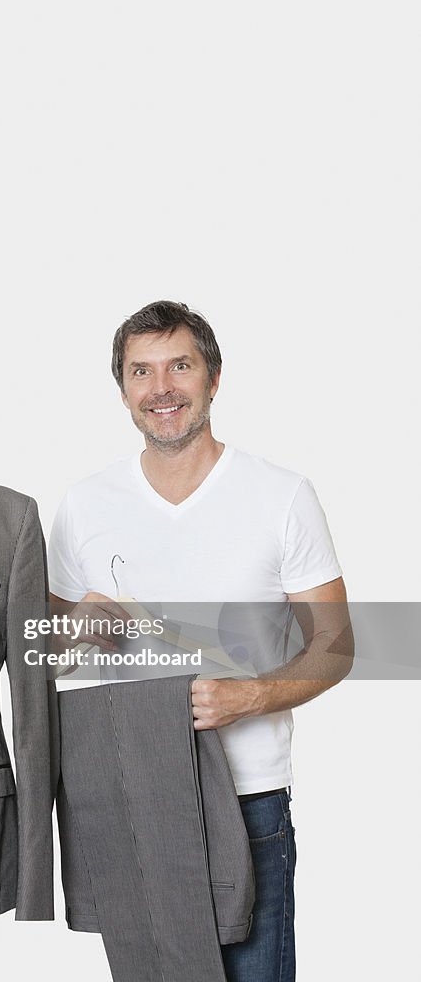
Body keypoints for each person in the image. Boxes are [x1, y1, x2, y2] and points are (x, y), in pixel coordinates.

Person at [48, 300, 353, 982]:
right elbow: (50, 651)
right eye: (140, 372)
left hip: (249, 800)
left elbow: (336, 644)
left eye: (179, 366)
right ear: (123, 390)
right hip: (130, 797)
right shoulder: (84, 504)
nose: (161, 388)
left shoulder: (280, 495)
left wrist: (253, 694)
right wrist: (77, 629)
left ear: (213, 379)